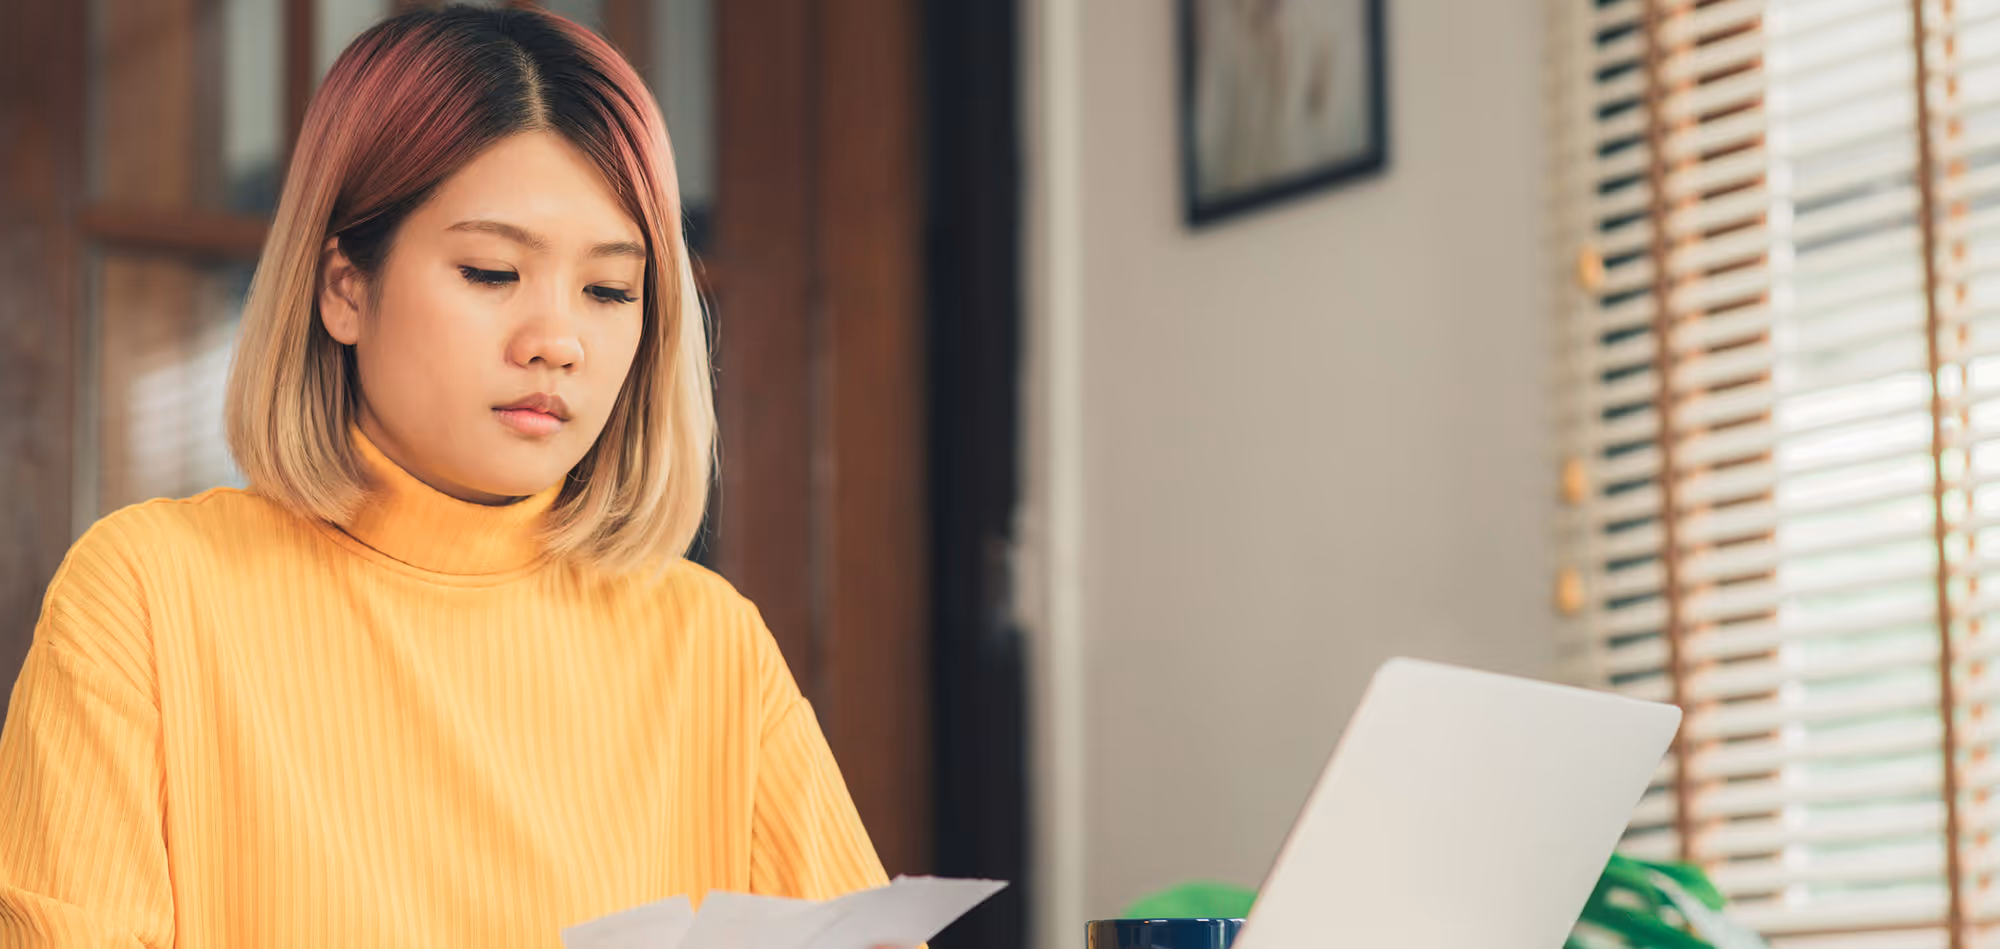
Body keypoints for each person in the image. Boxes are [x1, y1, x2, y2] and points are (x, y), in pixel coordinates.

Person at [0, 7, 895, 946]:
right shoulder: (147, 595)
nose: (556, 342)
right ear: (345, 286)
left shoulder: (711, 647)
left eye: (607, 291)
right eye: (491, 271)